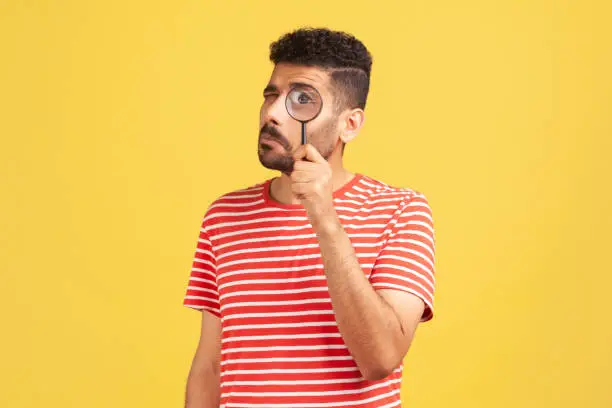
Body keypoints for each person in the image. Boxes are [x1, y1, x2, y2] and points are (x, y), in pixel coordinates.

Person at [183, 27, 436, 408]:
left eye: (301, 99)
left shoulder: (401, 212)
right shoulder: (224, 216)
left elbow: (381, 359)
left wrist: (323, 217)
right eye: (271, 95)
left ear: (349, 124)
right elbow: (211, 366)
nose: (272, 112)